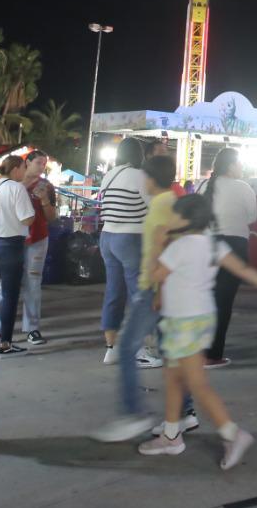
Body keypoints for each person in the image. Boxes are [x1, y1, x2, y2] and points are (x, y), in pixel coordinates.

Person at [122, 193, 257, 466]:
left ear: (185, 219)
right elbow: (243, 269)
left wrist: (157, 244)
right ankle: (172, 434)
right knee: (174, 377)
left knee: (196, 383)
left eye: (175, 214)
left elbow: (154, 275)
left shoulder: (179, 246)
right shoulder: (212, 245)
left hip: (182, 323)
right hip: (200, 320)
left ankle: (231, 433)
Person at [90, 153, 200, 445]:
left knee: (127, 348)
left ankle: (134, 412)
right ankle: (185, 412)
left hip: (154, 290)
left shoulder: (161, 207)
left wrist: (160, 292)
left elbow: (167, 250)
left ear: (148, 178)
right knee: (171, 353)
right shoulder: (165, 204)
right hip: (161, 290)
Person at [200, 146, 257, 368]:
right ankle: (213, 354)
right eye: (240, 163)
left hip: (207, 245)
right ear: (232, 165)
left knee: (206, 299)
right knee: (223, 303)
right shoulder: (243, 188)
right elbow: (252, 216)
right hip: (234, 246)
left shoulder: (204, 186)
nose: (242, 167)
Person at [98, 136, 149, 364]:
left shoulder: (109, 175)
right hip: (130, 237)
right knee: (139, 294)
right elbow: (152, 206)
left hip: (107, 237)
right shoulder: (139, 176)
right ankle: (141, 351)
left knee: (113, 292)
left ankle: (111, 349)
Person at [0, 154, 34, 356]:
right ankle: (5, 343)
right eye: (23, 168)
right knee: (10, 295)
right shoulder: (17, 188)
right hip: (11, 244)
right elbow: (27, 218)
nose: (25, 172)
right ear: (14, 170)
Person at [18, 149, 57, 345]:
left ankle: (32, 328)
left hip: (37, 237)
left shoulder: (46, 186)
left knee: (33, 281)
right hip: (13, 238)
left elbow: (52, 217)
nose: (42, 167)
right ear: (27, 162)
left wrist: (44, 201)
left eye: (44, 164)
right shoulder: (13, 183)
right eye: (38, 163)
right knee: (4, 284)